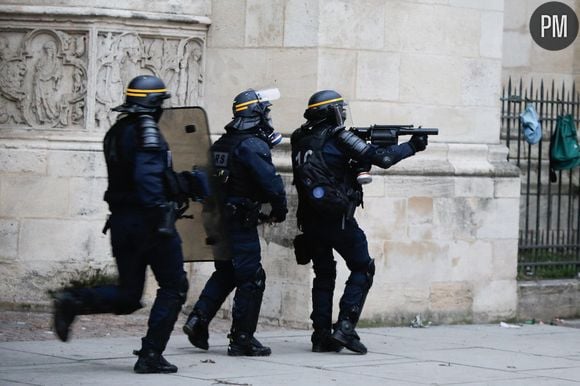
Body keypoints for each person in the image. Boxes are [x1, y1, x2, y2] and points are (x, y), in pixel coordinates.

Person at [53, 75, 204, 374]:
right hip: (149, 224)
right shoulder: (147, 131)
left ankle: (73, 300)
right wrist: (161, 216)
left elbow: (140, 174)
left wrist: (182, 183)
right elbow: (147, 180)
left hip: (122, 222)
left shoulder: (117, 130)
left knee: (129, 294)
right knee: (174, 286)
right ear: (152, 104)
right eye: (160, 102)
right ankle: (150, 355)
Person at [290, 90, 428, 354]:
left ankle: (319, 336)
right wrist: (412, 146)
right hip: (336, 218)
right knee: (363, 267)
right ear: (331, 111)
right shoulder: (340, 136)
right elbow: (383, 158)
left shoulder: (300, 137)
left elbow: (332, 162)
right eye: (340, 108)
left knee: (323, 274)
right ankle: (344, 328)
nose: (343, 112)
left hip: (309, 219)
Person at [182, 88, 287, 357]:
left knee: (227, 272)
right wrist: (279, 209)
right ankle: (242, 339)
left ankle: (198, 320)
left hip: (217, 218)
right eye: (265, 112)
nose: (268, 117)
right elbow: (271, 184)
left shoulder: (223, 143)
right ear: (256, 114)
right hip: (238, 220)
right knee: (252, 277)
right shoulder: (252, 144)